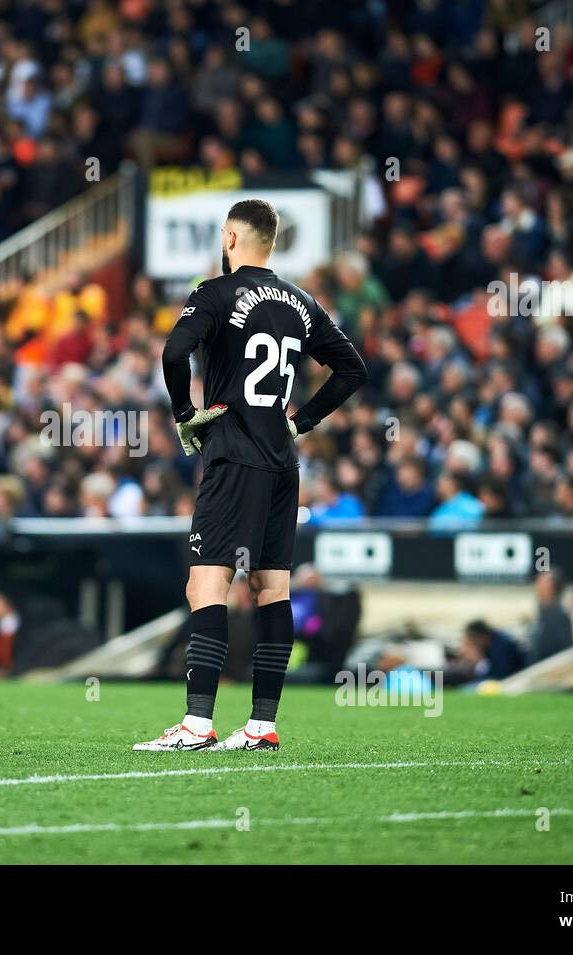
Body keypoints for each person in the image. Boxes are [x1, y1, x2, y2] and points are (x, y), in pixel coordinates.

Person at [135, 199, 367, 751]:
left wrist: (185, 415)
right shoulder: (300, 301)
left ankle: (196, 725)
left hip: (233, 454)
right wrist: (302, 421)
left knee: (206, 583)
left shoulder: (214, 293)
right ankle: (262, 725)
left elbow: (174, 353)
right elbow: (352, 368)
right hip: (283, 463)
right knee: (272, 589)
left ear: (231, 238)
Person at [525, 570, 573, 663]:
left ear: (552, 587)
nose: (537, 586)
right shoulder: (539, 613)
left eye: (541, 582)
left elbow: (565, 652)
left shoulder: (560, 618)